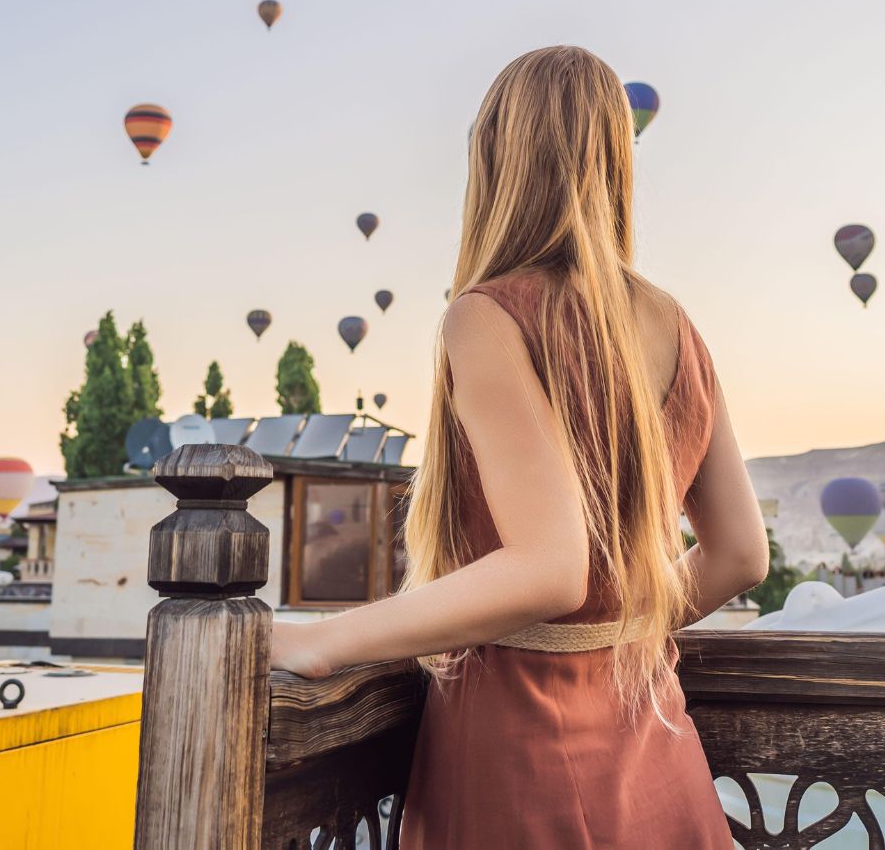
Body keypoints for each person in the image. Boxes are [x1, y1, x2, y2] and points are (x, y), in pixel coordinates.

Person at [271, 45, 769, 848]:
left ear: (497, 157)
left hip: (518, 747)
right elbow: (742, 555)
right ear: (615, 158)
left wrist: (320, 642)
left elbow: (548, 567)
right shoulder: (675, 323)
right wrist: (618, 620)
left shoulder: (486, 315)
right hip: (655, 742)